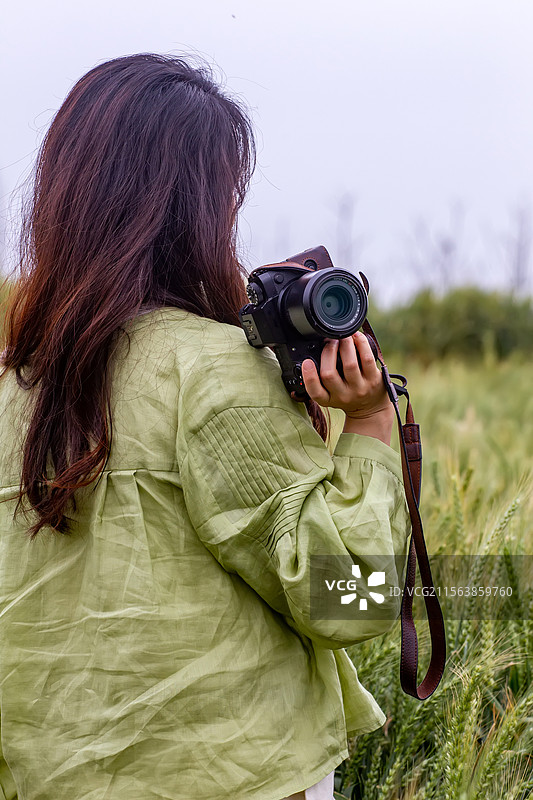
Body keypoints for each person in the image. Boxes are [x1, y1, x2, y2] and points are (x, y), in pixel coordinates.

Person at [0, 54, 411, 800]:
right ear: (194, 207)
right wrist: (371, 421)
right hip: (236, 777)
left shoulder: (12, 384)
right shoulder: (212, 370)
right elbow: (348, 599)